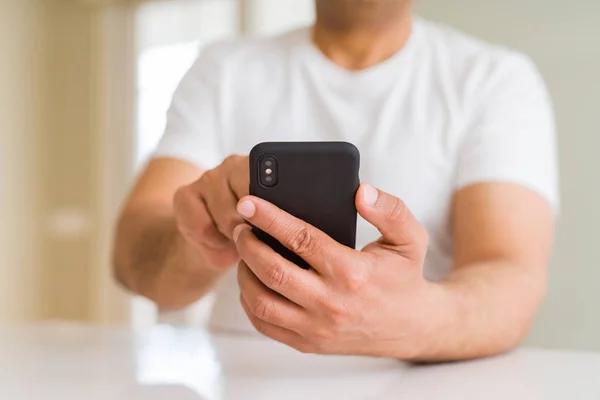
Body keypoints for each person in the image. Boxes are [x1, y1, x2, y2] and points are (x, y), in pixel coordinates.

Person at [113, 0, 558, 362]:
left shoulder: (494, 80)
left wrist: (409, 323)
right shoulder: (222, 68)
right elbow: (132, 258)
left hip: (421, 380)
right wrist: (196, 243)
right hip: (241, 377)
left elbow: (510, 274)